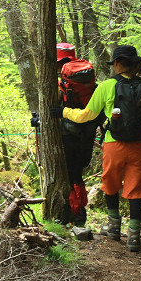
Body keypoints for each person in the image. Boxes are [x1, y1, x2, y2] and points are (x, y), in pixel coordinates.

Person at [50, 44, 141, 252]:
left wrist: (63, 112)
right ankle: (134, 237)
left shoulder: (106, 86)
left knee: (111, 184)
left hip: (114, 144)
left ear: (116, 64)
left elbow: (86, 116)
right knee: (136, 191)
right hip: (140, 146)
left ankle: (114, 228)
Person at [55, 43, 100, 226]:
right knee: (78, 174)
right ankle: (79, 213)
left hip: (68, 134)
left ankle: (75, 215)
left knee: (71, 174)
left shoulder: (61, 83)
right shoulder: (89, 82)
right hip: (88, 133)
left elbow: (55, 111)